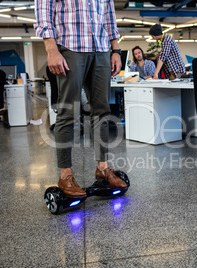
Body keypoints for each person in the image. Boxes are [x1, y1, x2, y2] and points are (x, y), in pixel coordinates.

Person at [34, 0, 127, 197]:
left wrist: (116, 50)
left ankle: (103, 167)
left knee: (102, 111)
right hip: (70, 46)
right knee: (68, 112)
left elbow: (109, 16)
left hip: (101, 48)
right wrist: (51, 49)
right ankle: (65, 174)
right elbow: (44, 10)